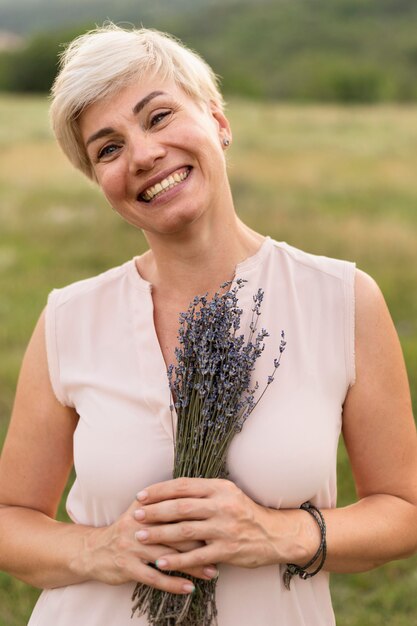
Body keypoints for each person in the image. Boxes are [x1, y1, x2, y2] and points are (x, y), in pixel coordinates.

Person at [0, 23, 417, 626]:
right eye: (108, 148)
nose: (143, 155)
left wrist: (278, 535)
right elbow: (11, 520)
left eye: (159, 116)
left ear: (218, 122)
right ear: (101, 184)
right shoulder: (69, 317)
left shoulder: (342, 298)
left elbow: (404, 509)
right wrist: (99, 550)